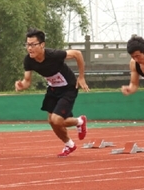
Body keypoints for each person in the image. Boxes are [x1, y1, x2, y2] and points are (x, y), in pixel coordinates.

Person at [15, 28, 89, 157]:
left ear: (42, 45)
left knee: (56, 120)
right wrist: (21, 85)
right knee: (51, 121)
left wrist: (81, 76)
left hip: (68, 87)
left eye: (33, 45)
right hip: (53, 88)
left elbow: (77, 54)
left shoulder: (53, 55)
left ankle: (80, 121)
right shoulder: (28, 60)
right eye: (27, 44)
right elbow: (27, 81)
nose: (30, 48)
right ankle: (69, 145)